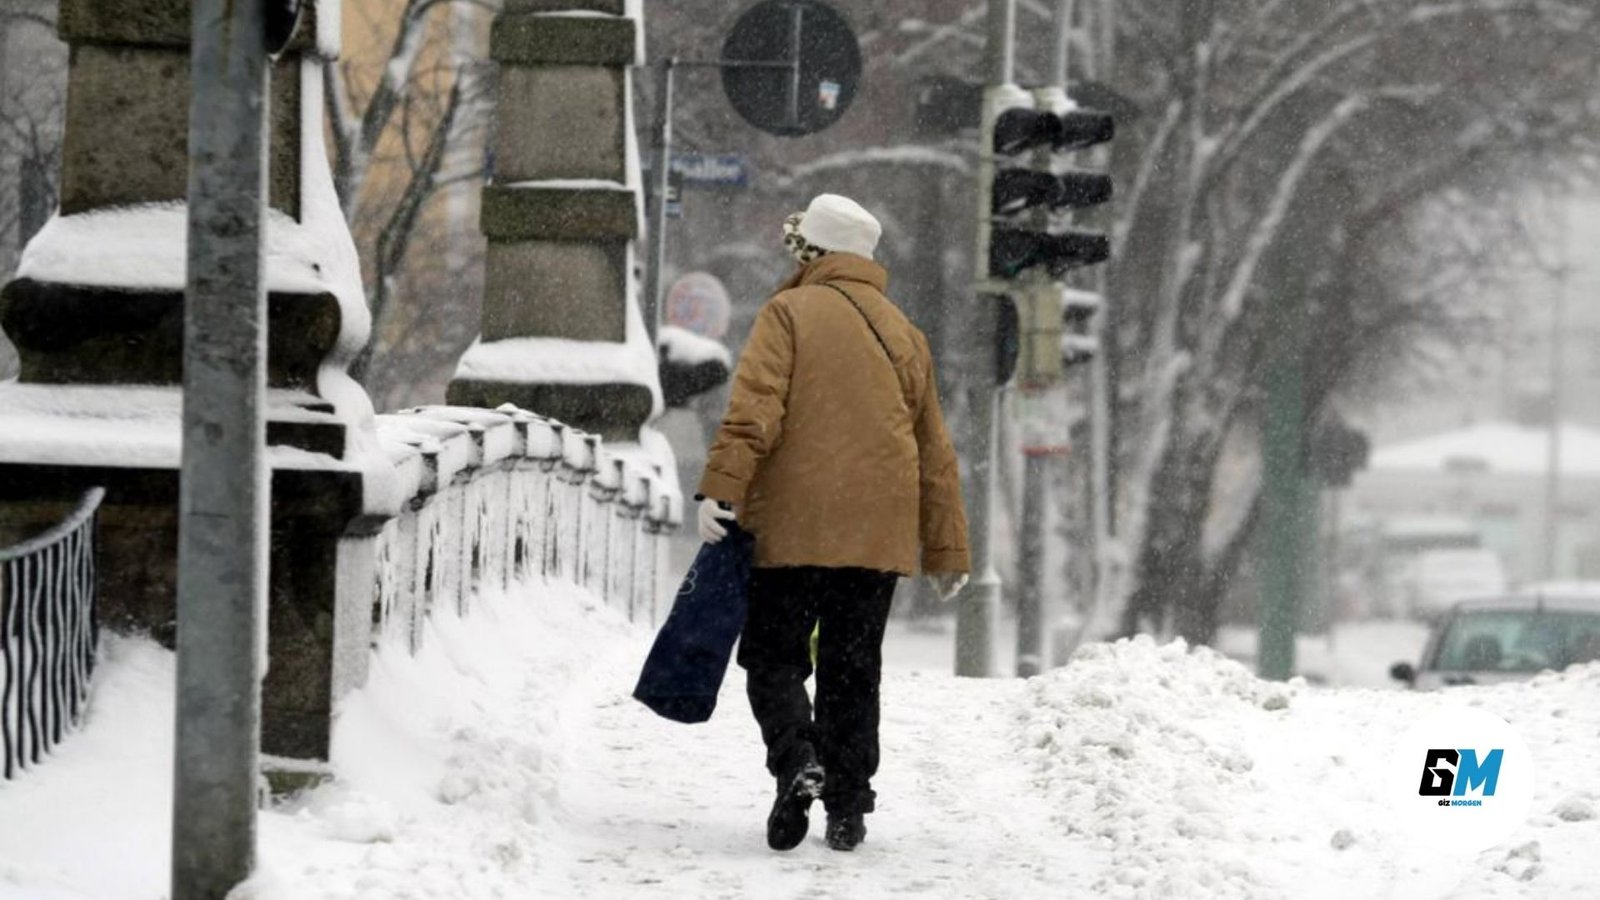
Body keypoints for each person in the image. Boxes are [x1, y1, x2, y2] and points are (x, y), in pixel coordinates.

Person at [695, 193, 971, 853]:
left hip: (793, 524)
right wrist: (947, 548)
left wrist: (720, 489)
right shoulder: (905, 333)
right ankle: (848, 808)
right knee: (853, 667)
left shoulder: (787, 313)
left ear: (813, 252)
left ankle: (797, 761)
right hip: (878, 531)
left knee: (774, 656)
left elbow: (755, 410)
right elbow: (934, 449)